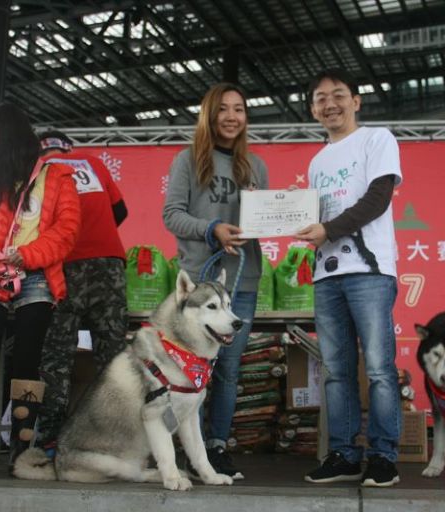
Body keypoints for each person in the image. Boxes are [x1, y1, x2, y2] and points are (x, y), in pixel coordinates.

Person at [0, 103, 80, 477]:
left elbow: (66, 232)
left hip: (36, 276)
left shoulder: (58, 177)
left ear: (9, 137)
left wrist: (27, 255)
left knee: (27, 361)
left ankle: (21, 449)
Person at [296, 68, 403, 488]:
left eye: (338, 95)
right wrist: (304, 225)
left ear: (356, 101)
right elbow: (314, 217)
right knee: (336, 371)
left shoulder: (377, 139)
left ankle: (383, 456)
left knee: (379, 368)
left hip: (370, 272)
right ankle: (342, 453)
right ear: (312, 109)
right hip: (327, 275)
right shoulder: (317, 160)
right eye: (321, 98)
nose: (330, 104)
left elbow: (378, 199)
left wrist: (327, 229)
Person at [163, 82, 269, 480]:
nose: (231, 116)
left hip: (243, 281)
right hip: (201, 286)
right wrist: (213, 230)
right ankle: (187, 452)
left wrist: (282, 208)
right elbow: (171, 214)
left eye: (239, 109)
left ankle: (216, 447)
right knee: (192, 369)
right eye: (223, 109)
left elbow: (262, 223)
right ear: (209, 114)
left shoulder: (255, 165)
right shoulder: (187, 160)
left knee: (228, 369)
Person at [34, 130, 129, 453]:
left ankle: (50, 440)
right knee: (113, 357)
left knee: (57, 358)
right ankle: (114, 440)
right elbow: (120, 212)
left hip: (62, 267)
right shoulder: (90, 162)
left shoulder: (36, 169)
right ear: (68, 146)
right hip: (108, 265)